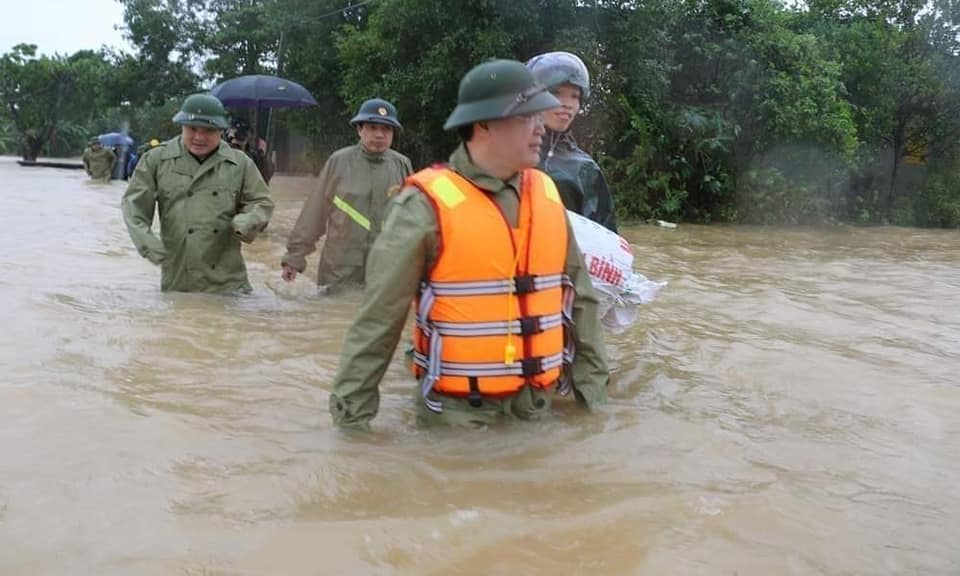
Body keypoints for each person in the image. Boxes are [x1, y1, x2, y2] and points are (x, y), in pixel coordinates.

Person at [329, 60, 610, 429]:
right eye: (527, 117)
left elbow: (582, 303)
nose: (540, 127)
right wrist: (352, 429)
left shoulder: (545, 194)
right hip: (459, 422)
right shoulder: (423, 206)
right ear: (484, 124)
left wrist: (595, 407)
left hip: (535, 413)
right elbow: (377, 323)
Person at [121, 94, 274, 293]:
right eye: (192, 129)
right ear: (181, 126)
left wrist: (246, 222)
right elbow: (134, 206)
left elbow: (261, 201)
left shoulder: (240, 163)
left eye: (209, 130)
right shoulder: (157, 160)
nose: (199, 137)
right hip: (178, 280)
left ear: (221, 130)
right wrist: (147, 243)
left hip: (228, 283)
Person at [280, 98, 412, 293]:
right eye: (372, 127)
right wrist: (294, 258)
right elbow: (315, 212)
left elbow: (414, 219)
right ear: (359, 129)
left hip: (387, 270)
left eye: (386, 129)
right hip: (340, 271)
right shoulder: (338, 162)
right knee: (336, 319)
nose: (379, 135)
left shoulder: (402, 165)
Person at [525, 51, 617, 232]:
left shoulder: (585, 170)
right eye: (556, 93)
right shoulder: (502, 153)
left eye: (574, 96)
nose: (567, 104)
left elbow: (605, 240)